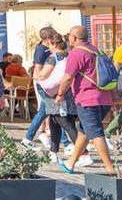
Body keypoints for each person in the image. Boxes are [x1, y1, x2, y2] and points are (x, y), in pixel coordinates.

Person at [56, 25, 116, 174]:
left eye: (69, 36)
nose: (68, 38)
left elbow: (68, 77)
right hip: (104, 98)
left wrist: (60, 94)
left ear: (75, 38)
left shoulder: (76, 53)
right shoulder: (97, 50)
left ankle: (110, 168)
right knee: (83, 131)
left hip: (88, 99)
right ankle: (71, 163)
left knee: (95, 133)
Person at [38, 33, 89, 167]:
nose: (48, 47)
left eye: (49, 44)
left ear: (53, 44)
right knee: (54, 121)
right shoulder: (69, 55)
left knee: (65, 122)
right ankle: (53, 152)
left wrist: (36, 74)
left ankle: (84, 154)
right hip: (69, 91)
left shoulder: (52, 58)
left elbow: (43, 75)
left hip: (55, 94)